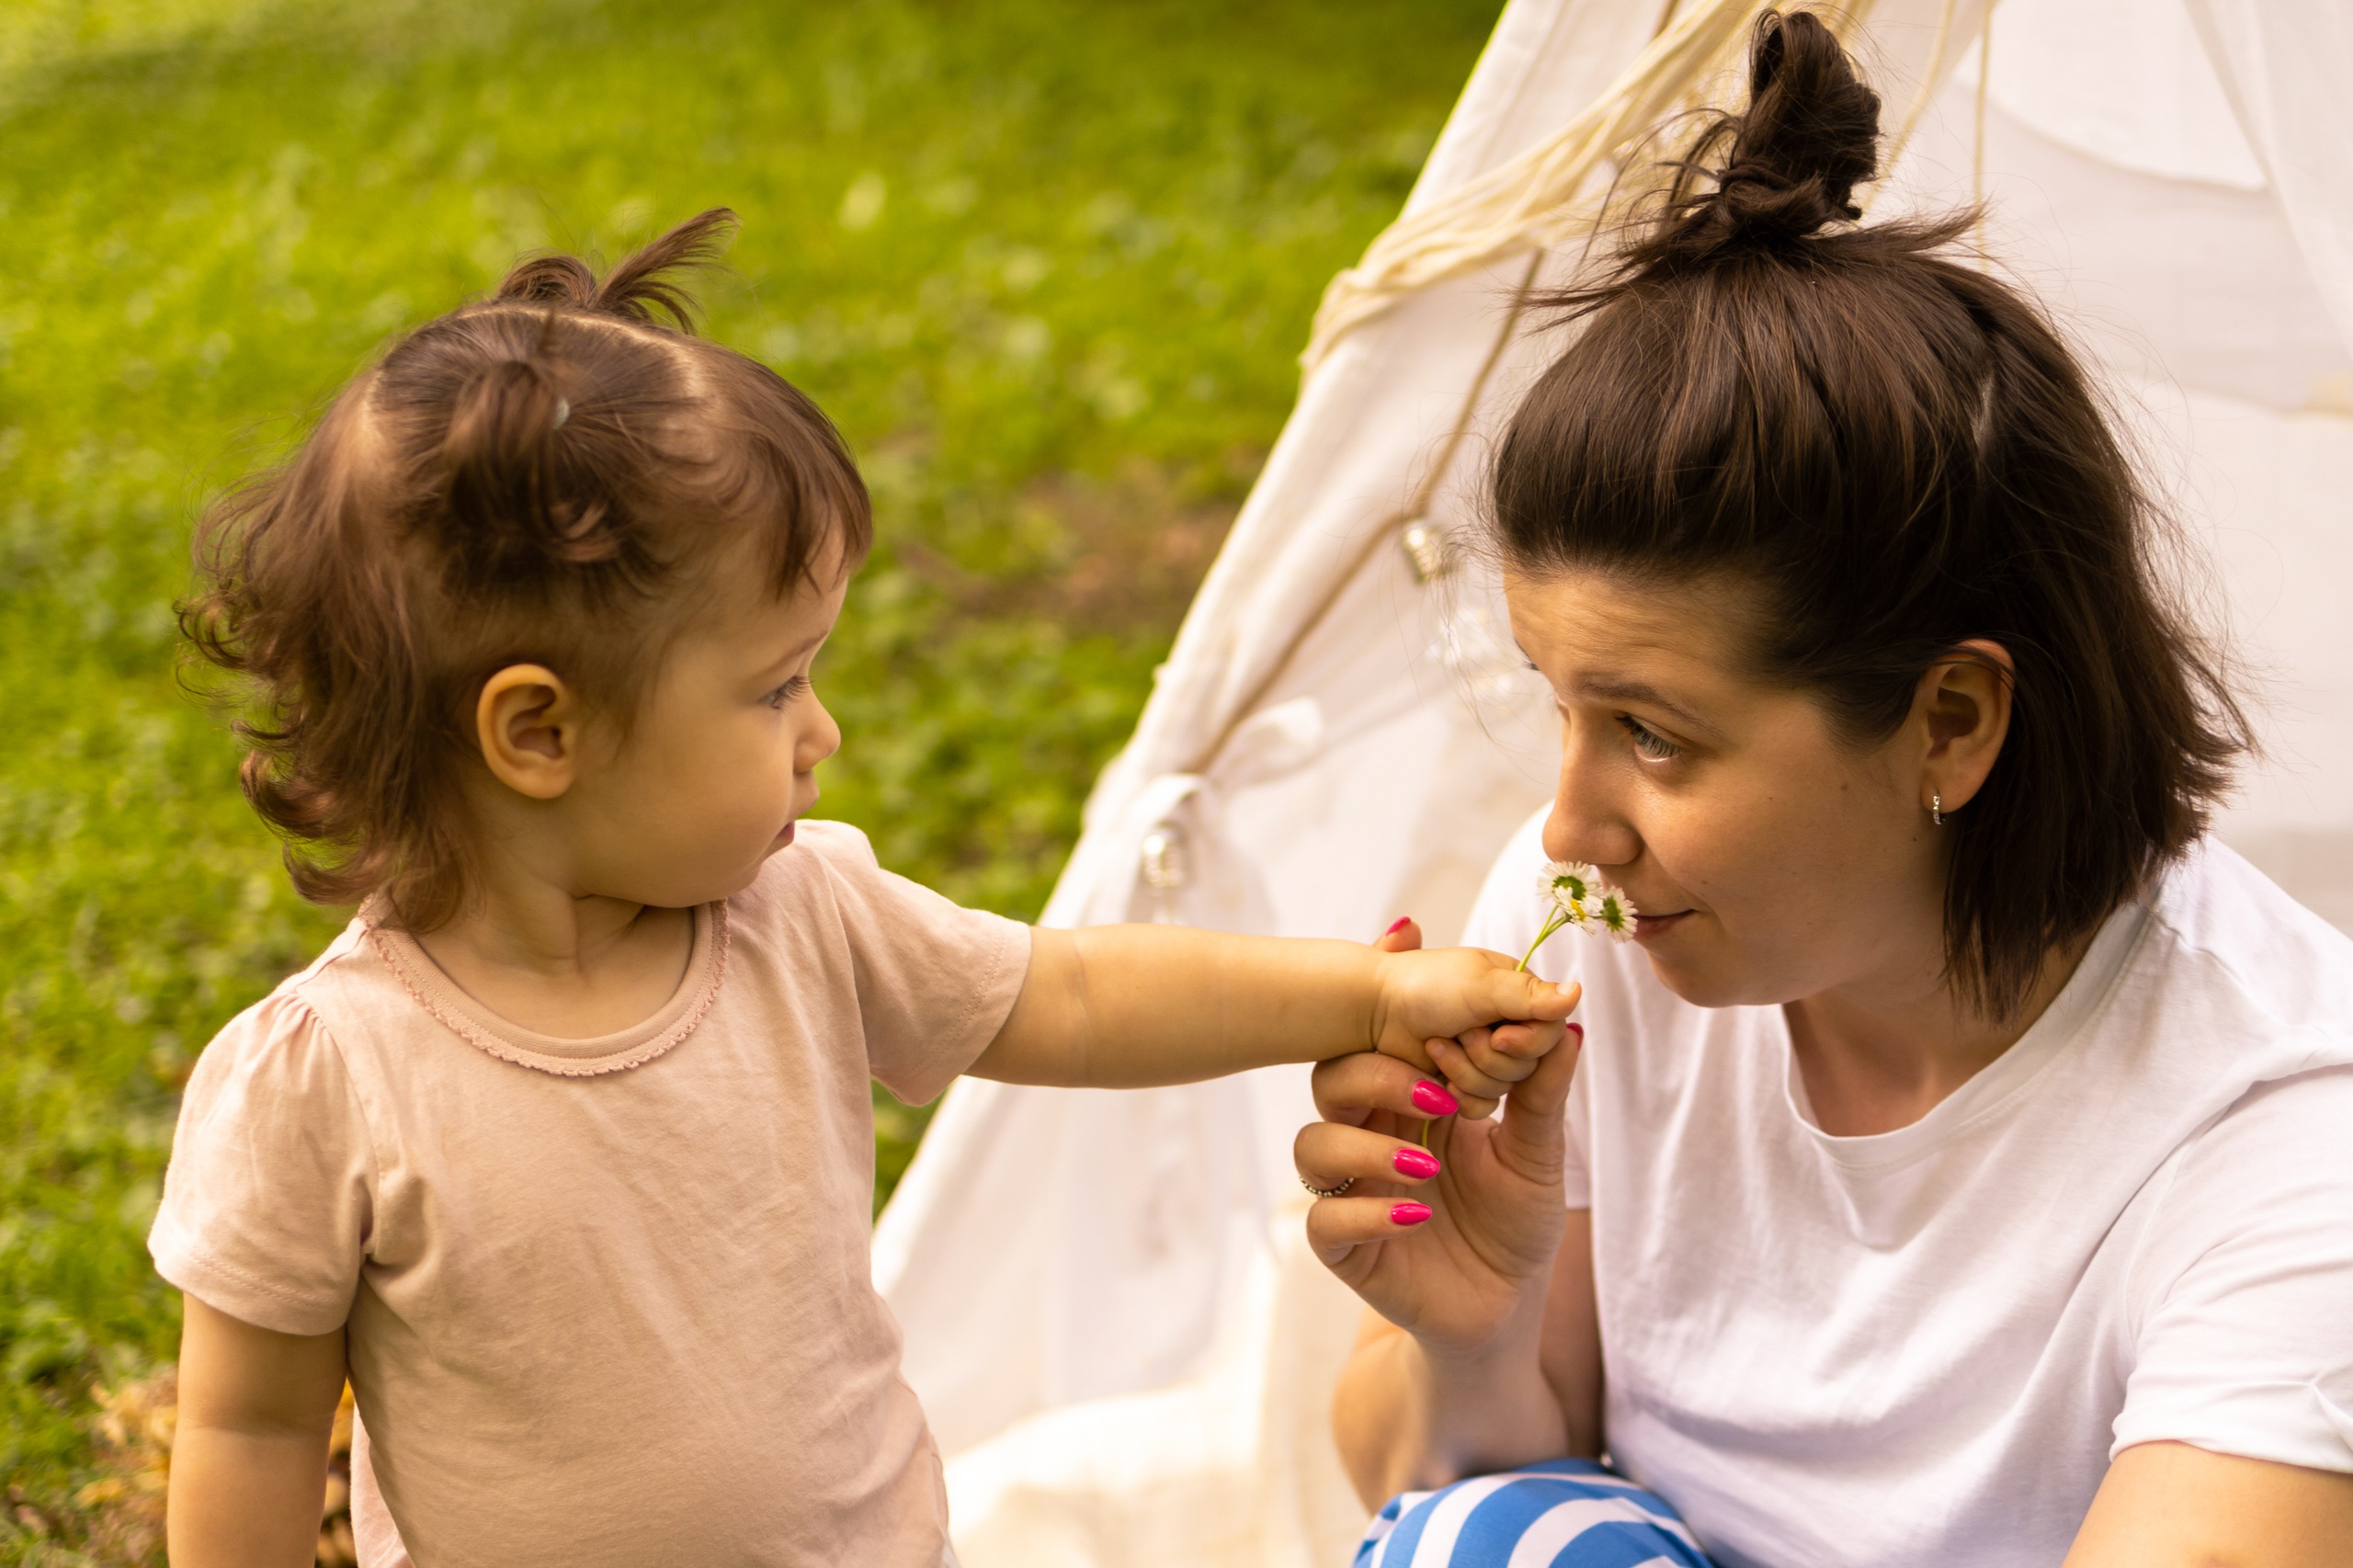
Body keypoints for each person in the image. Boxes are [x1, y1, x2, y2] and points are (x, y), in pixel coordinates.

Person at [153, 210, 1579, 1568]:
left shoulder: (803, 919)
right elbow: (251, 1424)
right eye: (775, 687)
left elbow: (1075, 995)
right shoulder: (322, 1079)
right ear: (541, 734)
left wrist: (1369, 990)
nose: (823, 730)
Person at [1294, 12, 2353, 1567]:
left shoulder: (2278, 1151)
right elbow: (1447, 1485)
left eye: (1656, 733)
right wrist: (1475, 1327)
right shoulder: (1604, 932)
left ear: (1951, 720)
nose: (1571, 831)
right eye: (1557, 703)